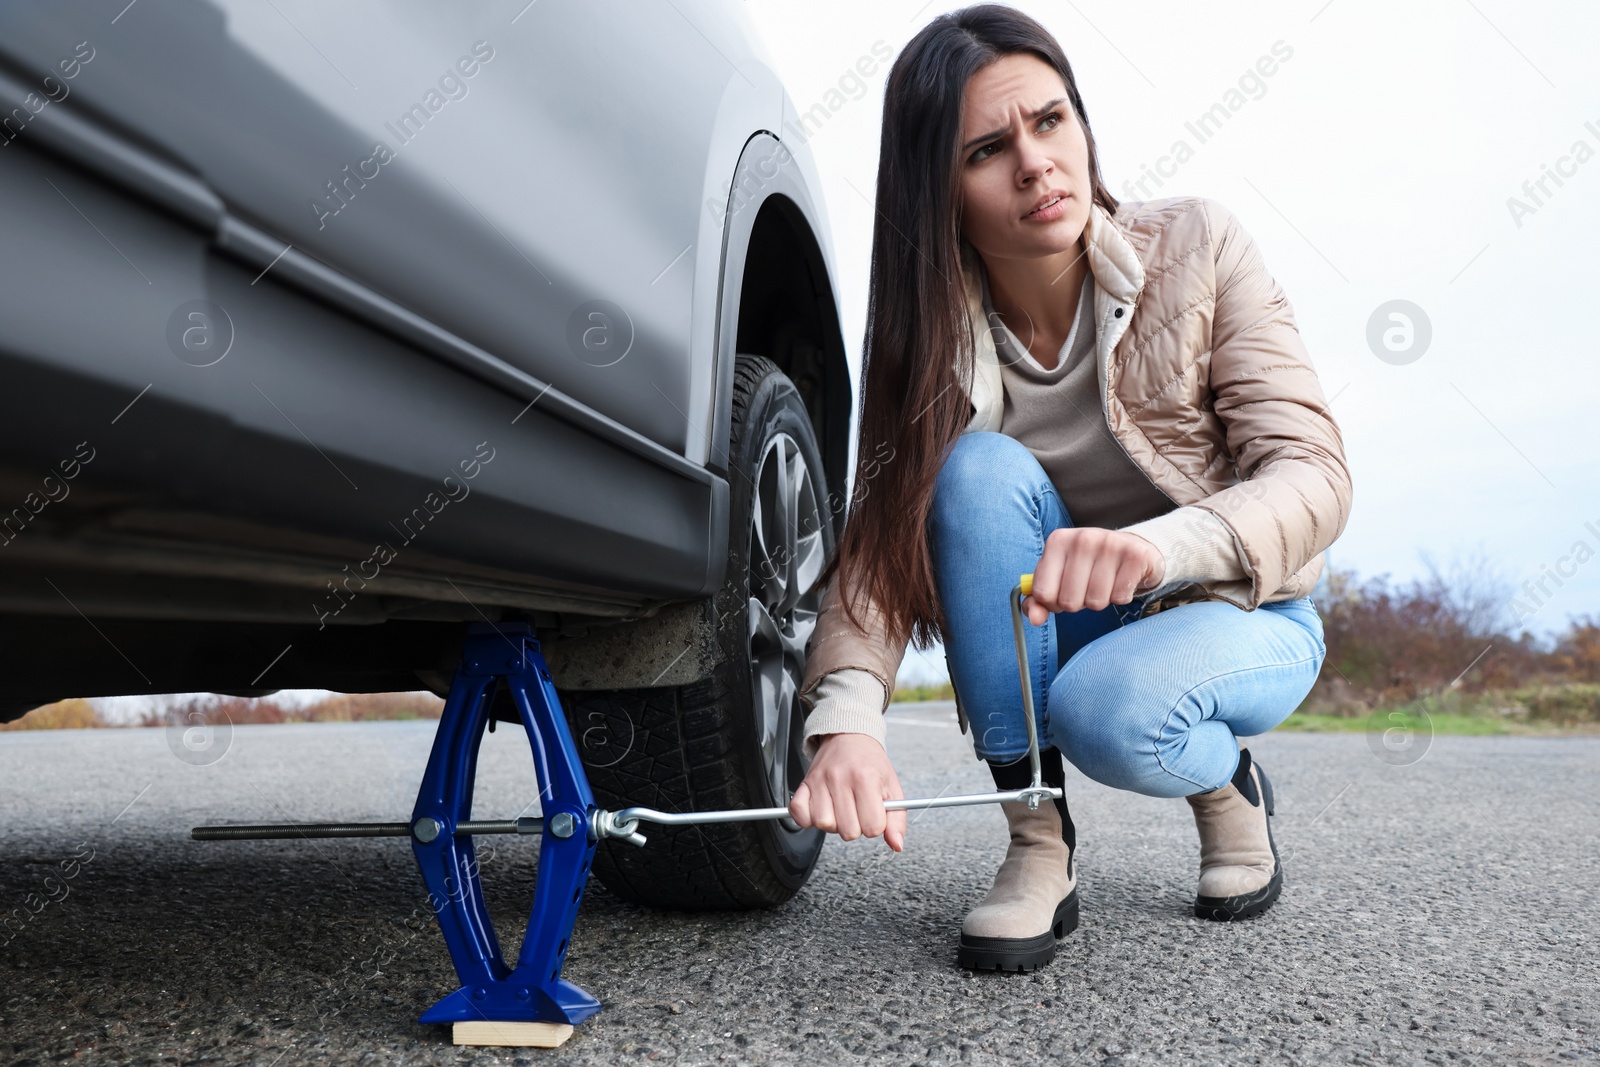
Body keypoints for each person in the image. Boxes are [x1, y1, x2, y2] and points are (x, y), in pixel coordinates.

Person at [787, 3, 1352, 973]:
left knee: (1109, 710)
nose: (1037, 163)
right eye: (987, 149)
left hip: (1241, 609)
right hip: (1056, 623)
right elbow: (878, 552)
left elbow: (1312, 472)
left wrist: (1160, 547)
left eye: (1050, 121)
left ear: (1081, 124)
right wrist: (843, 725)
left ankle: (1223, 784)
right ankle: (1037, 839)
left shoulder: (1199, 247)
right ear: (938, 189)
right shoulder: (921, 341)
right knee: (970, 470)